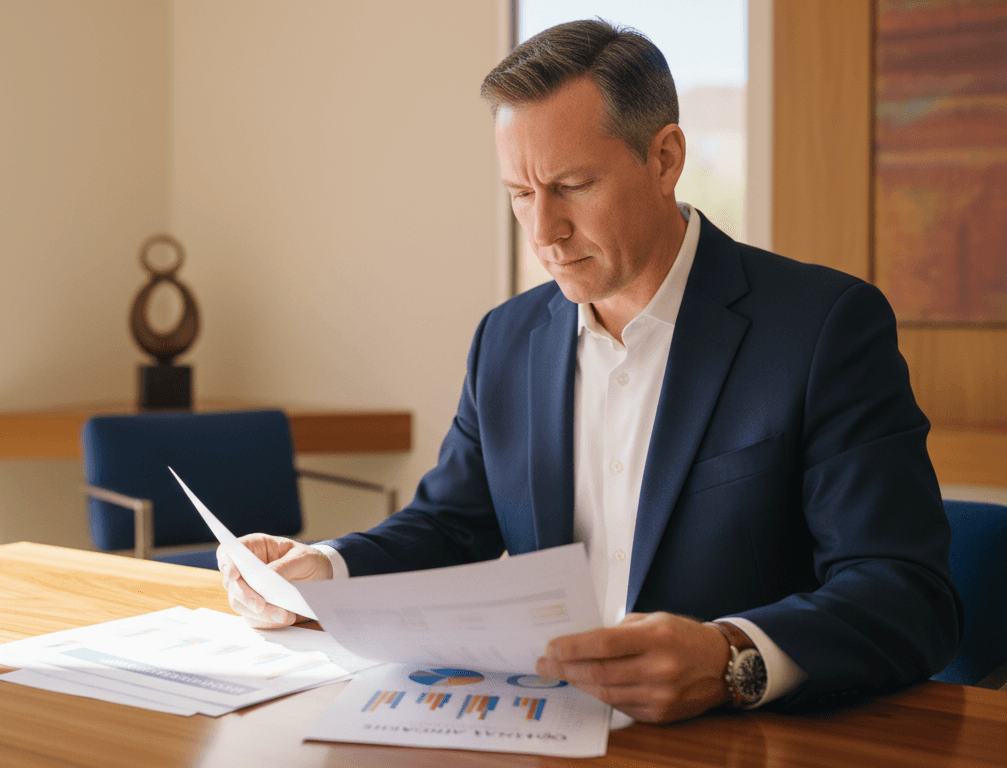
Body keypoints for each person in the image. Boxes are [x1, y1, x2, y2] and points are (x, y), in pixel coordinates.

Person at [218, 19, 960, 724]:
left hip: (739, 742)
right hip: (540, 729)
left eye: (572, 185)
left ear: (664, 158)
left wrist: (730, 657)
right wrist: (324, 572)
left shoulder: (823, 326)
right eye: (520, 194)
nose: (544, 231)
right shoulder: (506, 339)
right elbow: (450, 526)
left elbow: (905, 595)